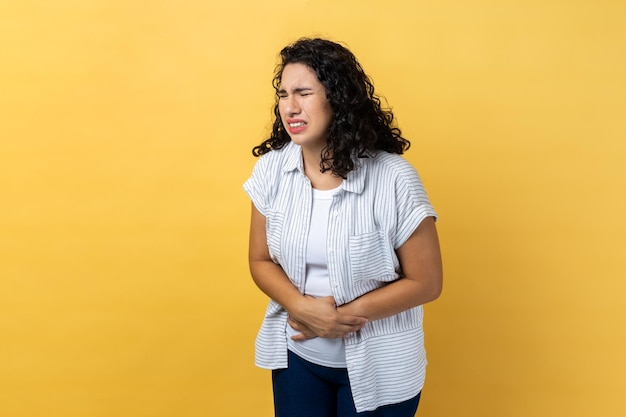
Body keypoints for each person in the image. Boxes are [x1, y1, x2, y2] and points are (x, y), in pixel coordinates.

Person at [243, 37, 443, 417]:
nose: (291, 107)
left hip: (381, 366)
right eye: (283, 94)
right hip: (298, 359)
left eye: (303, 92)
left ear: (337, 98)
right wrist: (302, 307)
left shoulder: (394, 178)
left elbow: (427, 281)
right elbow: (259, 260)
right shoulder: (271, 171)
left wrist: (336, 319)